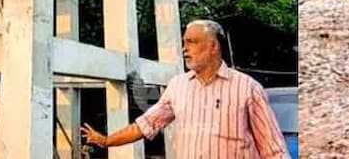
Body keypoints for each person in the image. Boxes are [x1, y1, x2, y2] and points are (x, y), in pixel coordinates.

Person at [80, 20, 291, 159]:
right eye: (184, 42)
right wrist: (106, 140)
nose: (184, 49)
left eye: (192, 42)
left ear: (213, 46)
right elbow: (146, 125)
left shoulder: (247, 88)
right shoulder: (178, 86)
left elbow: (273, 150)